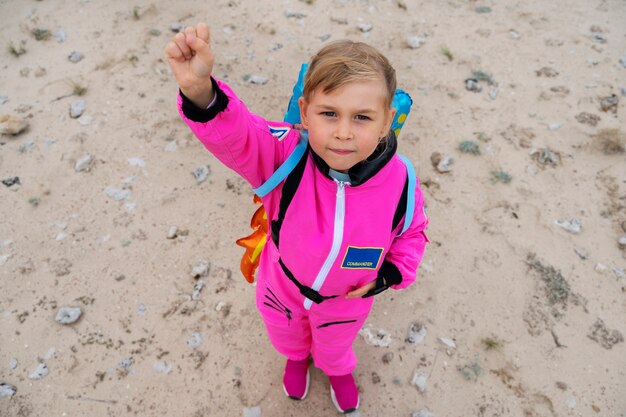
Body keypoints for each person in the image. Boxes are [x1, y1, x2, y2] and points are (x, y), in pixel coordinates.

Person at [165, 23, 429, 414]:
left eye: (362, 118)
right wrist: (200, 93)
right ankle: (295, 357)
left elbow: (412, 233)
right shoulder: (285, 156)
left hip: (346, 300)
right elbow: (240, 133)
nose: (342, 133)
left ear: (388, 120)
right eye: (329, 113)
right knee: (284, 333)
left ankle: (336, 368)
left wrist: (390, 274)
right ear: (304, 112)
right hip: (282, 285)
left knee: (337, 345)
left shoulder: (401, 180)